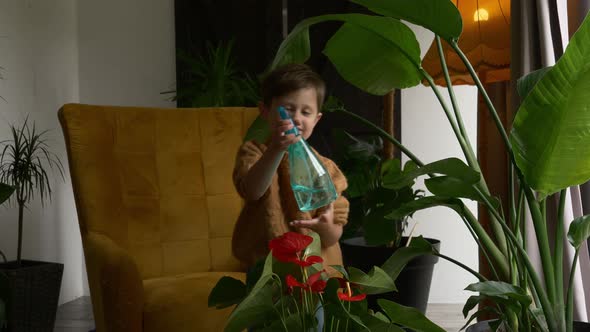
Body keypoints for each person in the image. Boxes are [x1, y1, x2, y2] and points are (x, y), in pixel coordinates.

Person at [231, 63, 349, 275]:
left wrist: (325, 227)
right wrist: (276, 148)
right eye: (287, 109)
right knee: (266, 308)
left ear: (316, 119)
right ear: (265, 111)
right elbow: (252, 190)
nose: (296, 118)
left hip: (316, 272)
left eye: (306, 112)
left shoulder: (326, 168)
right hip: (267, 269)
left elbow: (333, 235)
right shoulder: (254, 153)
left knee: (314, 310)